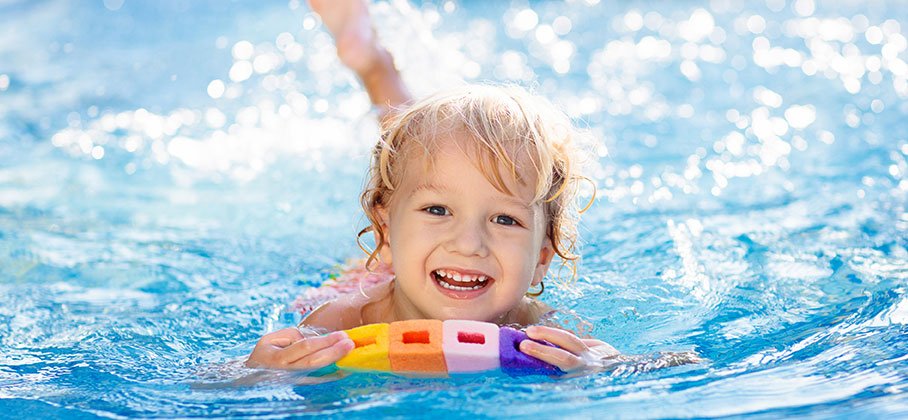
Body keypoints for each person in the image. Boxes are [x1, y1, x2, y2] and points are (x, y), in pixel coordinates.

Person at [246, 0, 630, 374]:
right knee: (411, 158)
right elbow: (215, 386)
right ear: (382, 229)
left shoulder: (547, 332)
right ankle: (373, 65)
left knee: (424, 170)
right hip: (376, 274)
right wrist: (261, 370)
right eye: (438, 211)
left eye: (504, 219)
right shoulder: (343, 319)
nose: (468, 244)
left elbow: (666, 364)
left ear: (542, 260)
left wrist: (602, 366)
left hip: (417, 256)